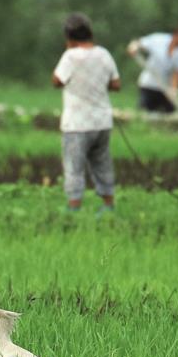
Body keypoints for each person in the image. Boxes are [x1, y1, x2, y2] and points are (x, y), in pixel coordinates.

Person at [52, 13, 121, 214]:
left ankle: (74, 207)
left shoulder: (70, 56)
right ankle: (108, 204)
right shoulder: (104, 54)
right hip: (102, 122)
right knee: (102, 164)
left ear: (69, 37)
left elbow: (56, 81)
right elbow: (116, 84)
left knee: (74, 167)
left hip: (77, 124)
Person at [127, 25, 178, 113]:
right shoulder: (159, 39)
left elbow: (177, 72)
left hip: (166, 88)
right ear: (177, 35)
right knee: (143, 111)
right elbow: (139, 43)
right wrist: (134, 46)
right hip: (149, 84)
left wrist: (174, 89)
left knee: (169, 112)